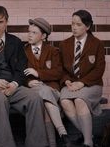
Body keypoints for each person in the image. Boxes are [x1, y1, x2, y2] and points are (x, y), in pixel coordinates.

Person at [0, 6, 48, 147]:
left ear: (7, 22)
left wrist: (15, 84)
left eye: (0, 22)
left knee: (35, 99)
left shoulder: (16, 42)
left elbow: (21, 69)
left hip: (12, 86)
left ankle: (37, 144)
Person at [24, 18, 74, 147]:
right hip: (34, 90)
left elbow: (58, 72)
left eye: (34, 32)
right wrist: (28, 83)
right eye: (29, 31)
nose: (29, 35)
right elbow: (19, 73)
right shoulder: (24, 51)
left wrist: (38, 73)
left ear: (44, 36)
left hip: (53, 90)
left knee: (45, 95)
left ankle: (53, 143)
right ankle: (62, 133)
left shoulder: (53, 51)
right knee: (43, 95)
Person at [59, 10, 106, 147]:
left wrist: (82, 83)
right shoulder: (64, 44)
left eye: (78, 24)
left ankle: (88, 142)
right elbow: (61, 69)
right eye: (72, 24)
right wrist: (66, 80)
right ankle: (89, 135)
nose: (74, 27)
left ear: (88, 26)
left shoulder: (97, 44)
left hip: (92, 84)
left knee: (80, 100)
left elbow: (99, 70)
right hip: (71, 85)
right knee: (65, 101)